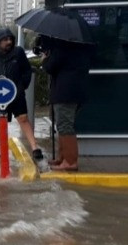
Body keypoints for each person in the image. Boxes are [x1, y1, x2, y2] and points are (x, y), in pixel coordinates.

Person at [0, 28, 43, 161]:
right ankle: (1, 149)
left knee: (23, 119)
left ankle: (35, 147)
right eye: (5, 39)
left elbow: (27, 71)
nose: (9, 41)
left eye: (10, 39)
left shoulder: (18, 52)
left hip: (16, 93)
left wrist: (22, 87)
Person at [40, 36, 93, 171]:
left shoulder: (62, 46)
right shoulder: (81, 46)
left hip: (65, 93)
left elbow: (50, 67)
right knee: (63, 125)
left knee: (65, 126)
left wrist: (44, 59)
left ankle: (70, 161)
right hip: (76, 92)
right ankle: (62, 158)